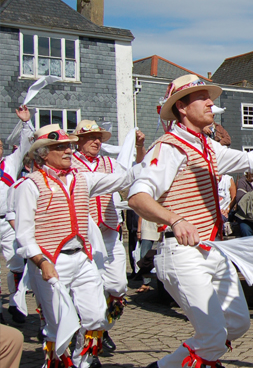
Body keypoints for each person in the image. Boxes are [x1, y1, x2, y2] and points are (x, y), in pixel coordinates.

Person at [128, 74, 253, 368]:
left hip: (212, 250)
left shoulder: (208, 148)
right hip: (181, 254)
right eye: (201, 98)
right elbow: (137, 198)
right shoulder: (169, 148)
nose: (211, 102)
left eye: (210, 97)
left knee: (237, 324)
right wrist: (174, 219)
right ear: (182, 108)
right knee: (212, 335)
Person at [15, 124, 137, 368]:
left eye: (68, 146)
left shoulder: (82, 179)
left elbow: (123, 177)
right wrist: (41, 261)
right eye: (59, 147)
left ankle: (82, 362)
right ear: (43, 154)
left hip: (82, 258)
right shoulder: (30, 185)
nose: (68, 150)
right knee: (57, 325)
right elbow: (24, 234)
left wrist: (152, 160)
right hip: (51, 262)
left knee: (95, 317)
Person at [72, 121, 146, 349]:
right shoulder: (70, 164)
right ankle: (86, 338)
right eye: (92, 137)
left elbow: (135, 173)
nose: (97, 142)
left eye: (100, 138)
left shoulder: (108, 162)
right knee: (89, 287)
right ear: (79, 141)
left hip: (110, 230)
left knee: (118, 286)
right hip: (84, 235)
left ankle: (102, 328)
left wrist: (140, 148)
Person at [0, 105, 33, 324]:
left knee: (16, 264)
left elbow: (26, 145)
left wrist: (25, 123)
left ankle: (15, 303)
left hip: (6, 222)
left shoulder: (9, 164)